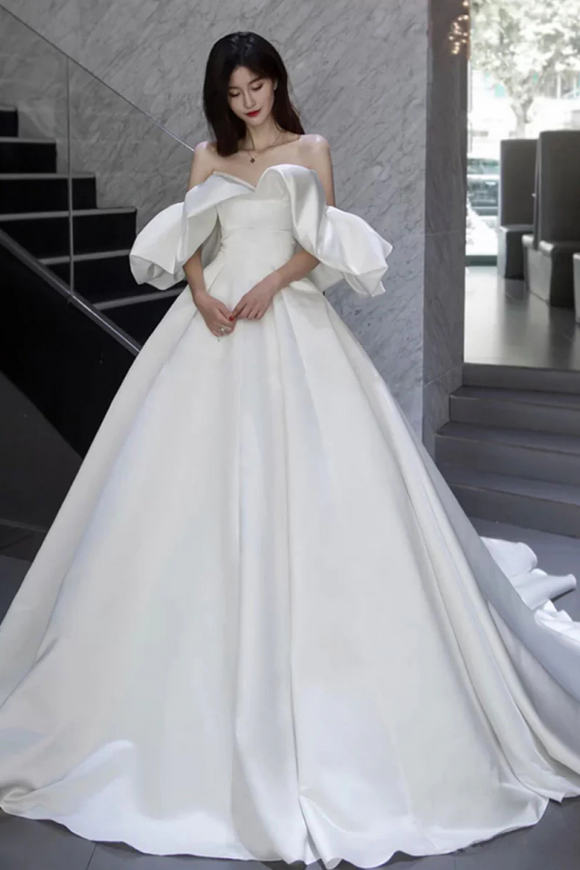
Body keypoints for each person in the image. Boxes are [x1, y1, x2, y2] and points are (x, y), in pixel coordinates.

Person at [0, 30, 580, 870]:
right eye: (236, 93)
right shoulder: (207, 158)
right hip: (214, 332)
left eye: (260, 86)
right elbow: (195, 248)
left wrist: (274, 282)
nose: (250, 103)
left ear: (276, 83)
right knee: (172, 507)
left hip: (290, 319)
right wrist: (203, 295)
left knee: (334, 494)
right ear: (221, 97)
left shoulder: (312, 149)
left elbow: (318, 242)